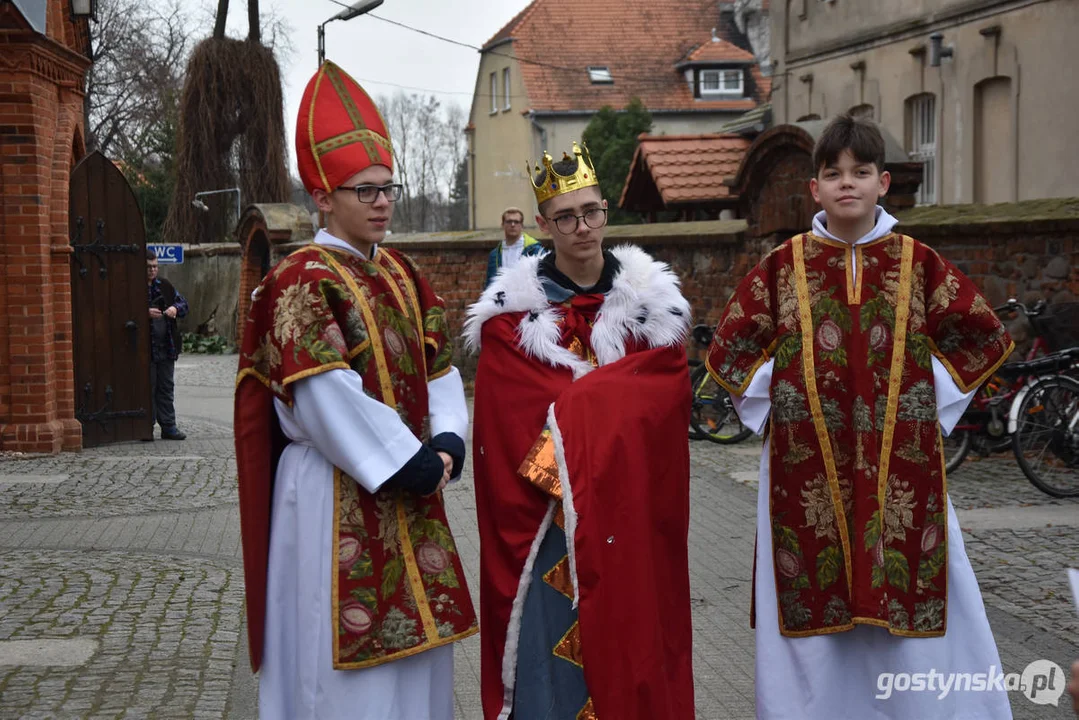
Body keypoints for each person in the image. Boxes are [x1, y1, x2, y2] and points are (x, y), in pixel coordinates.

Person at [706, 113, 1015, 719]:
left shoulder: (918, 264)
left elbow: (981, 340)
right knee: (812, 606)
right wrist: (782, 400)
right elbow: (732, 354)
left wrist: (930, 406)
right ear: (814, 188)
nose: (847, 183)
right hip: (805, 474)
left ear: (884, 182)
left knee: (913, 586)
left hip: (903, 465)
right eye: (833, 173)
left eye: (861, 172)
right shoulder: (782, 266)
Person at [233, 61, 477, 720]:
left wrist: (449, 438)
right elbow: (320, 392)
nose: (381, 202)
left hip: (411, 489)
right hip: (334, 493)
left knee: (417, 661)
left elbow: (440, 367)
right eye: (362, 190)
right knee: (339, 669)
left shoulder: (401, 272)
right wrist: (410, 461)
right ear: (321, 197)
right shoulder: (300, 279)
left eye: (386, 188)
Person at [465, 142, 696, 720]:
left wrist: (586, 404)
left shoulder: (652, 309)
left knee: (634, 638)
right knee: (554, 648)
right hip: (549, 517)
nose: (582, 227)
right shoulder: (512, 323)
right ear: (543, 225)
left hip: (628, 511)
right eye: (566, 216)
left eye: (591, 211)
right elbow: (507, 420)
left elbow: (663, 400)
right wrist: (602, 406)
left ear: (606, 212)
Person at [146, 249, 188, 441]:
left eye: (155, 266)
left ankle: (168, 426)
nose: (152, 270)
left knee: (166, 386)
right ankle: (145, 426)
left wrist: (174, 308)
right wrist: (144, 312)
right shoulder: (135, 287)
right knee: (147, 387)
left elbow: (183, 304)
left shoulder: (165, 286)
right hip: (145, 348)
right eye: (148, 267)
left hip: (166, 345)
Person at [484, 206, 545, 288]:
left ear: (522, 225)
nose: (513, 225)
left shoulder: (534, 250)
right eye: (509, 221)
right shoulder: (494, 255)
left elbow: (543, 279)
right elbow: (489, 285)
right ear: (502, 225)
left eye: (516, 222)